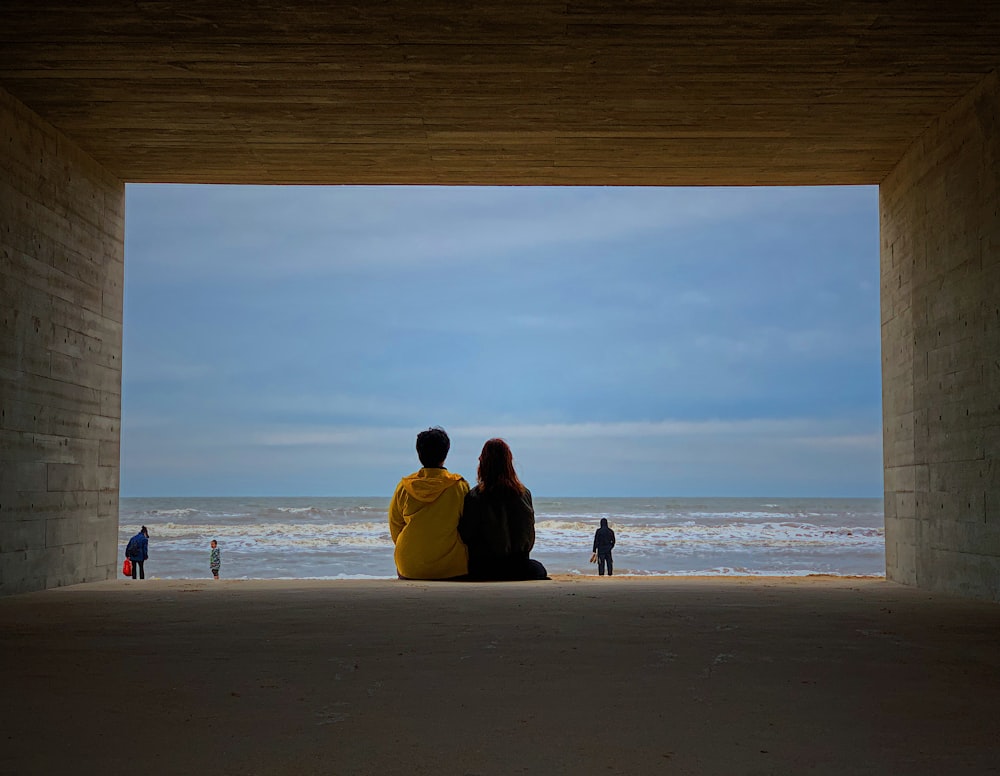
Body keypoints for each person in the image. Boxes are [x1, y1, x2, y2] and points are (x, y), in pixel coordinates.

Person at [459, 438, 548, 581]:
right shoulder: (524, 494)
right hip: (519, 566)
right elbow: (529, 535)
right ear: (509, 462)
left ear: (482, 463)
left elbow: (466, 534)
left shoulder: (475, 496)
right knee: (539, 569)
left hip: (484, 567)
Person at [389, 427, 469, 580]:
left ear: (419, 453)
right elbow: (467, 526)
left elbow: (395, 526)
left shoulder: (404, 486)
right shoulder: (459, 486)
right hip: (451, 566)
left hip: (409, 566)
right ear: (446, 453)